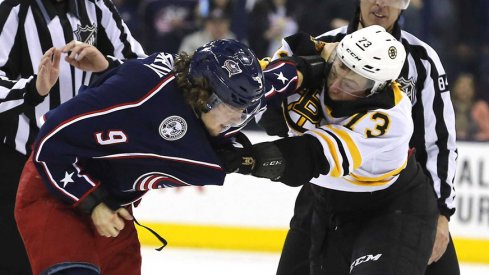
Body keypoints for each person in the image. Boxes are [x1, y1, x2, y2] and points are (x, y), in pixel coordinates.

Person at [14, 39, 265, 275]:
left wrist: (301, 70)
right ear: (205, 95)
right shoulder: (137, 94)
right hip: (55, 190)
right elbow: (50, 137)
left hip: (113, 208)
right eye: (231, 110)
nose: (235, 122)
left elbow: (277, 84)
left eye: (243, 115)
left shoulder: (194, 96)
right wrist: (91, 202)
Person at [217, 25, 439, 274]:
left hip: (390, 209)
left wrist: (246, 160)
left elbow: (310, 156)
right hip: (321, 200)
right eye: (340, 68)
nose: (336, 85)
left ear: (376, 88)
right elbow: (257, 81)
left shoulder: (388, 119)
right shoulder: (322, 54)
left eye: (352, 83)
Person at [258, 0, 459, 274]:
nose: (380, 4)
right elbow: (279, 114)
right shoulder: (324, 45)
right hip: (323, 191)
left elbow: (438, 141)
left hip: (396, 197)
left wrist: (442, 214)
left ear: (404, 5)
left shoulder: (421, 59)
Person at [0, 1, 146, 274]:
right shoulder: (10, 9)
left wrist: (106, 66)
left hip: (80, 169)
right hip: (16, 166)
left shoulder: (97, 7)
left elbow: (144, 73)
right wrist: (32, 89)